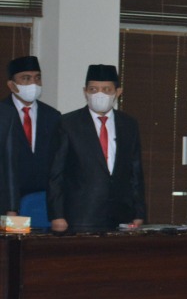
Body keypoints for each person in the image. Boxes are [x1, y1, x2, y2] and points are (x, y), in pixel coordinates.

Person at [48, 64, 146, 233]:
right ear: (85, 92)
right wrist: (57, 215)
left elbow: (135, 172)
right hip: (80, 215)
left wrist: (139, 212)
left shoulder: (129, 124)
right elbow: (55, 174)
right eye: (93, 89)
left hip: (121, 215)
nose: (100, 94)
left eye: (106, 89)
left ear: (118, 92)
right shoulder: (68, 124)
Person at [0, 55, 61, 216]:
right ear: (11, 85)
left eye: (37, 78)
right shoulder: (2, 114)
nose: (33, 83)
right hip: (6, 202)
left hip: (43, 202)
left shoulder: (52, 116)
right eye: (26, 78)